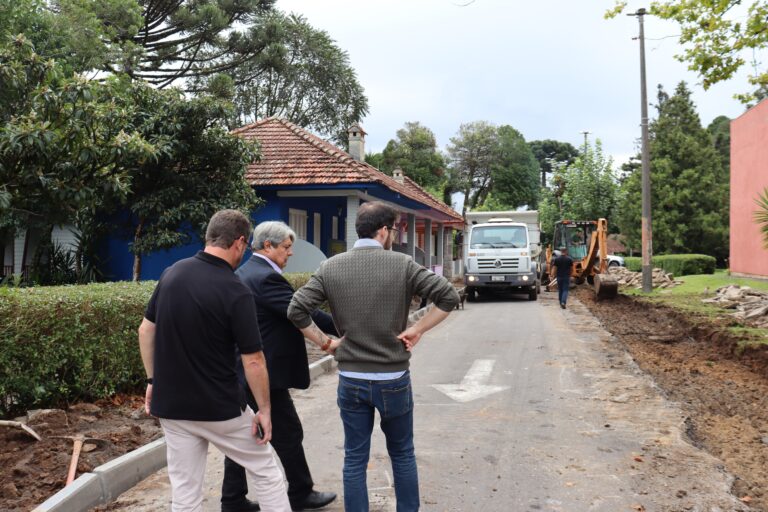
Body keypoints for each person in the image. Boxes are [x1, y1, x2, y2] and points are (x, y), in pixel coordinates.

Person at [287, 201, 460, 512]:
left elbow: (295, 309)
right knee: (402, 453)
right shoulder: (403, 265)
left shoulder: (331, 267)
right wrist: (417, 329)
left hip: (352, 379)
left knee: (354, 457)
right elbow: (448, 296)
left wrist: (326, 343)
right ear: (383, 231)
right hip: (393, 377)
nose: (392, 235)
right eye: (392, 230)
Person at [138, 209, 291, 512]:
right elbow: (254, 360)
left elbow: (146, 329)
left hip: (173, 406)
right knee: (267, 472)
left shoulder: (172, 274)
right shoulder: (235, 290)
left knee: (185, 491)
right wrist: (264, 410)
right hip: (220, 408)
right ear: (239, 243)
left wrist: (153, 380)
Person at [221, 221, 338, 512]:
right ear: (267, 246)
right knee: (288, 432)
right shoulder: (265, 278)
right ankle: (300, 492)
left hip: (245, 371)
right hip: (262, 373)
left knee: (243, 436)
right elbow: (301, 312)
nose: (291, 253)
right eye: (286, 247)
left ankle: (233, 500)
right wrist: (341, 330)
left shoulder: (246, 272)